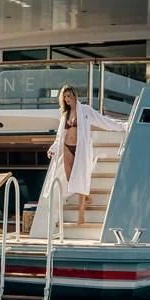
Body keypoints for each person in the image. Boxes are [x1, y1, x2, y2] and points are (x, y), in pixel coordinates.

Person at [40, 84, 128, 228]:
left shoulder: (85, 110)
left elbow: (102, 120)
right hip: (67, 147)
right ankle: (86, 196)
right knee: (70, 179)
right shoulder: (64, 115)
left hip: (81, 149)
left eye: (69, 96)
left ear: (74, 95)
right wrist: (53, 148)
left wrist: (122, 126)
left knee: (80, 178)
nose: (67, 99)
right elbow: (60, 135)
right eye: (65, 97)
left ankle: (81, 213)